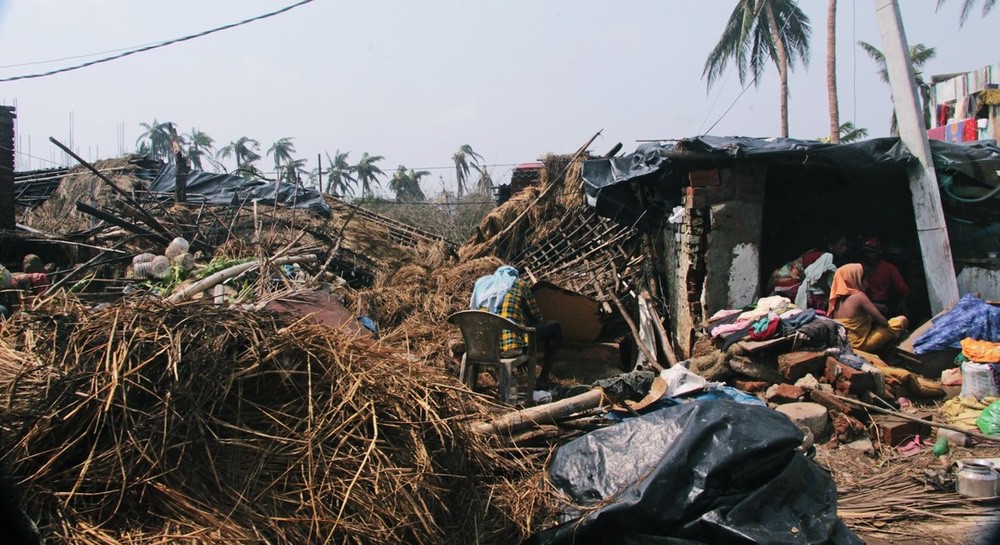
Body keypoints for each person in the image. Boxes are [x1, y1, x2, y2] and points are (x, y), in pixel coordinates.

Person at [470, 265, 563, 389]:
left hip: (482, 347)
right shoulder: (519, 284)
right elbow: (535, 317)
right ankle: (543, 379)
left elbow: (473, 312)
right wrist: (525, 346)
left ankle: (480, 384)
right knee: (555, 327)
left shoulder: (482, 286)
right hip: (510, 347)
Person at [828, 263, 908, 354]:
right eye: (865, 280)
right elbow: (883, 322)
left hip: (845, 344)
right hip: (861, 345)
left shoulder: (836, 301)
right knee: (902, 320)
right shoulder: (859, 296)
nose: (867, 284)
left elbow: (854, 310)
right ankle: (885, 354)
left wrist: (875, 306)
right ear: (855, 279)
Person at [767, 232, 849, 312]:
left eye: (845, 245)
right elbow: (818, 278)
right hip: (787, 281)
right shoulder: (826, 256)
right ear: (831, 245)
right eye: (841, 244)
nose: (845, 248)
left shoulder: (818, 253)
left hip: (778, 277)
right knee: (817, 299)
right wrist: (830, 295)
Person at [859, 238, 909, 316]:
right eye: (866, 252)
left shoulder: (888, 268)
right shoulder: (857, 269)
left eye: (872, 252)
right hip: (863, 307)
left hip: (884, 306)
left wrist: (903, 304)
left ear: (879, 252)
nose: (869, 255)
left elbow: (903, 289)